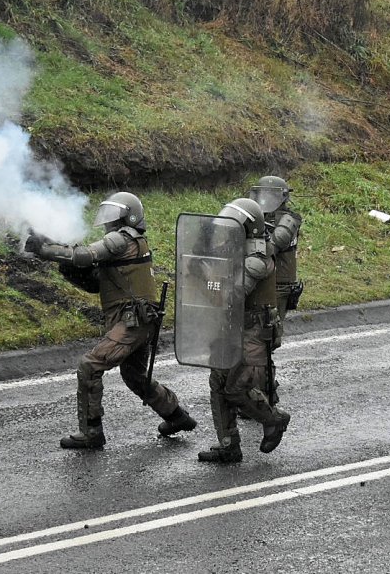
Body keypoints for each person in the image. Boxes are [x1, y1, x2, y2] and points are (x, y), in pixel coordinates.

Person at [25, 192, 196, 449]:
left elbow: (84, 255)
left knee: (89, 366)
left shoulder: (121, 239)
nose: (107, 221)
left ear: (128, 217)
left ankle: (92, 432)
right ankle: (178, 417)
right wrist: (63, 262)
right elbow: (96, 283)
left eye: (112, 215)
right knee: (135, 376)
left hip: (132, 322)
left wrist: (47, 249)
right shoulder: (129, 244)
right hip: (137, 321)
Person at [198, 198, 291, 463]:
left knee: (237, 386)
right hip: (233, 326)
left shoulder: (257, 258)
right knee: (218, 381)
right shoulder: (235, 249)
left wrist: (208, 279)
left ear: (248, 228)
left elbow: (233, 294)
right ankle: (228, 444)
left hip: (252, 330)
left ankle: (273, 419)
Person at [248, 176, 303, 404]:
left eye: (269, 195)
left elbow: (276, 242)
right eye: (262, 194)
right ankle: (259, 387)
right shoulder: (256, 216)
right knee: (255, 338)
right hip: (261, 280)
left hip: (279, 287)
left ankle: (267, 394)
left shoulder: (289, 219)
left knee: (265, 339)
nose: (264, 199)